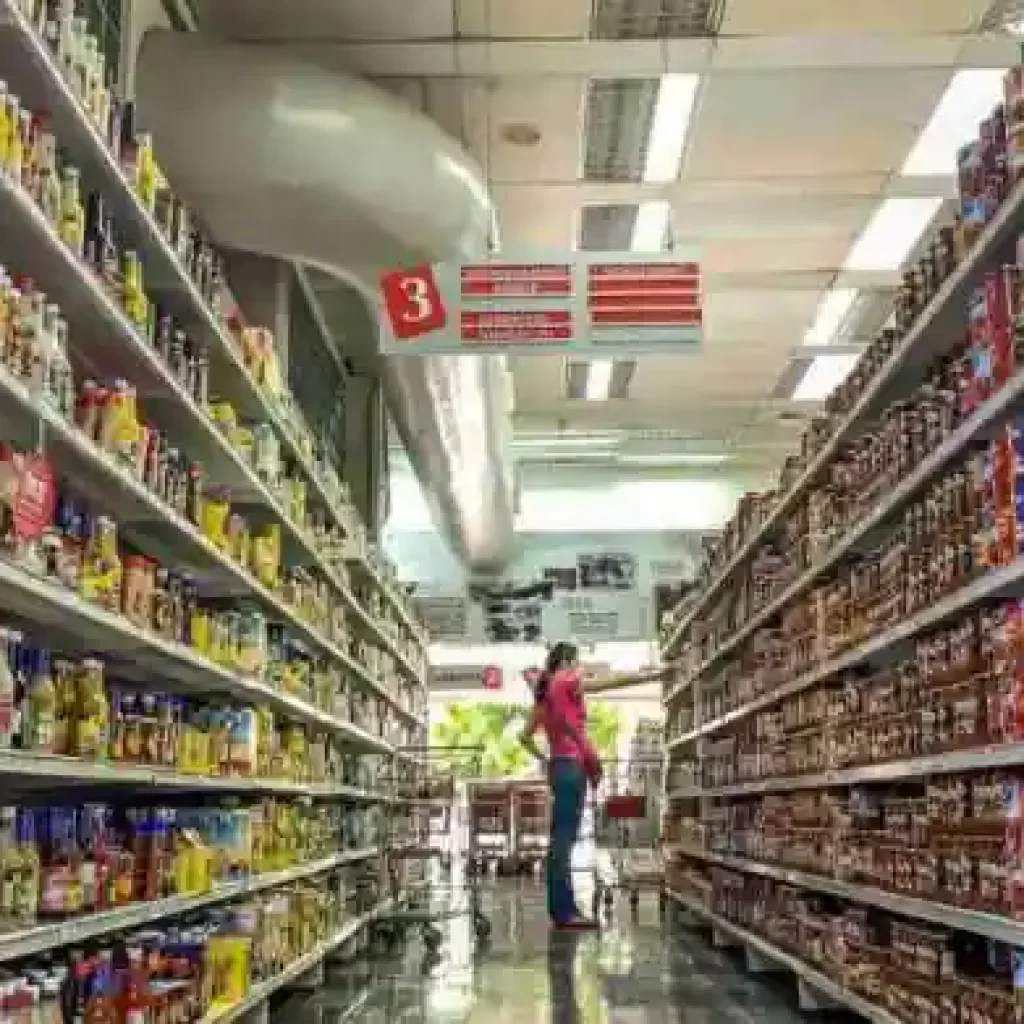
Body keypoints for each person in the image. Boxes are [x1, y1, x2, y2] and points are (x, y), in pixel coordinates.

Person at [519, 642, 668, 930]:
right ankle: (565, 913)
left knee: (559, 840)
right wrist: (652, 675)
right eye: (576, 661)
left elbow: (523, 737)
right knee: (564, 841)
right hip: (572, 768)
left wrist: (546, 759)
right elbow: (608, 682)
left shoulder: (542, 699)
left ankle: (562, 909)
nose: (579, 667)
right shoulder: (566, 680)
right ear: (566, 661)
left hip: (559, 767)